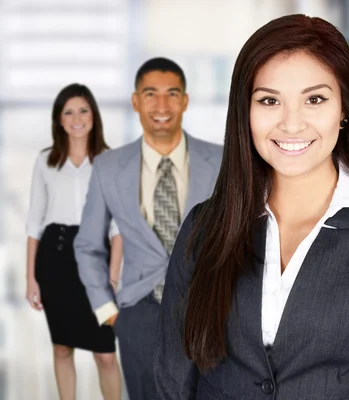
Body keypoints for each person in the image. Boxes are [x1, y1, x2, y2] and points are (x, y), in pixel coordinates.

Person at [154, 14, 349, 399]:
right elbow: (173, 379)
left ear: (344, 109)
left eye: (315, 99)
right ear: (245, 111)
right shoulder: (205, 227)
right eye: (270, 100)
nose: (291, 124)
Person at [74, 57, 223, 400]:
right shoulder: (109, 168)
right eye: (150, 94)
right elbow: (88, 246)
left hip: (208, 312)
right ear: (135, 101)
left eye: (172, 94)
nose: (161, 105)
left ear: (185, 100)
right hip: (139, 315)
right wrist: (109, 312)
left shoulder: (222, 160)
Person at [25, 83, 122, 400]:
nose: (76, 118)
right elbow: (34, 222)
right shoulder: (46, 162)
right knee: (62, 347)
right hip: (55, 257)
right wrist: (30, 279)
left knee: (105, 354)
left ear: (93, 115)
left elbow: (117, 227)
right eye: (68, 112)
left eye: (83, 110)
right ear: (59, 119)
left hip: (96, 258)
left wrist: (112, 275)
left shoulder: (109, 161)